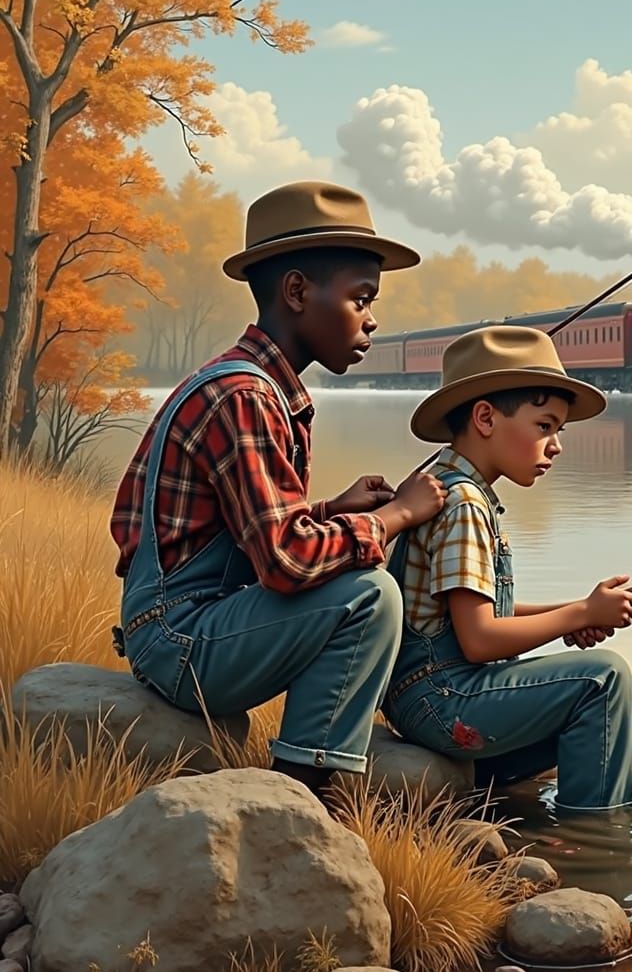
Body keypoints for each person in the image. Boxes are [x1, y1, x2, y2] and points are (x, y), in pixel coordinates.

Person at [109, 181, 446, 800]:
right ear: (296, 292)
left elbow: (243, 531)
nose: (372, 319)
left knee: (355, 570)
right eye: (360, 298)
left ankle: (312, 777)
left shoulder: (258, 387)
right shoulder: (245, 396)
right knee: (369, 594)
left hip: (186, 623)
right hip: (178, 640)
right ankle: (307, 790)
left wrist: (330, 512)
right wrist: (396, 515)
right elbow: (287, 563)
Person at [382, 324, 632, 812]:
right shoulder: (464, 504)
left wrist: (580, 611)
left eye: (558, 431)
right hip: (441, 699)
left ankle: (545, 821)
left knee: (585, 701)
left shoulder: (443, 482)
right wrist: (580, 614)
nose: (557, 445)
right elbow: (479, 639)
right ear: (485, 417)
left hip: (425, 698)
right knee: (602, 680)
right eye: (544, 426)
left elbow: (475, 608)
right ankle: (596, 835)